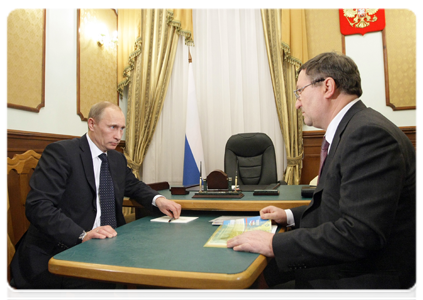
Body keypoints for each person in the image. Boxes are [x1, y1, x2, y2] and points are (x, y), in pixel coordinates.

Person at [227, 52, 420, 299]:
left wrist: (273, 244)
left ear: (327, 87)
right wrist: (288, 216)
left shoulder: (368, 135)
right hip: (344, 271)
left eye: (299, 91)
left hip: (360, 285)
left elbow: (359, 234)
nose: (297, 103)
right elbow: (338, 206)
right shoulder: (354, 128)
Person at [11, 101, 182, 300]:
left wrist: (158, 199)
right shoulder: (62, 153)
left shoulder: (116, 159)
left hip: (107, 246)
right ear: (91, 124)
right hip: (59, 251)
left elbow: (133, 185)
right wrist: (82, 235)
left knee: (152, 264)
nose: (119, 136)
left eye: (122, 129)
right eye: (112, 127)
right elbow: (38, 206)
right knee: (100, 285)